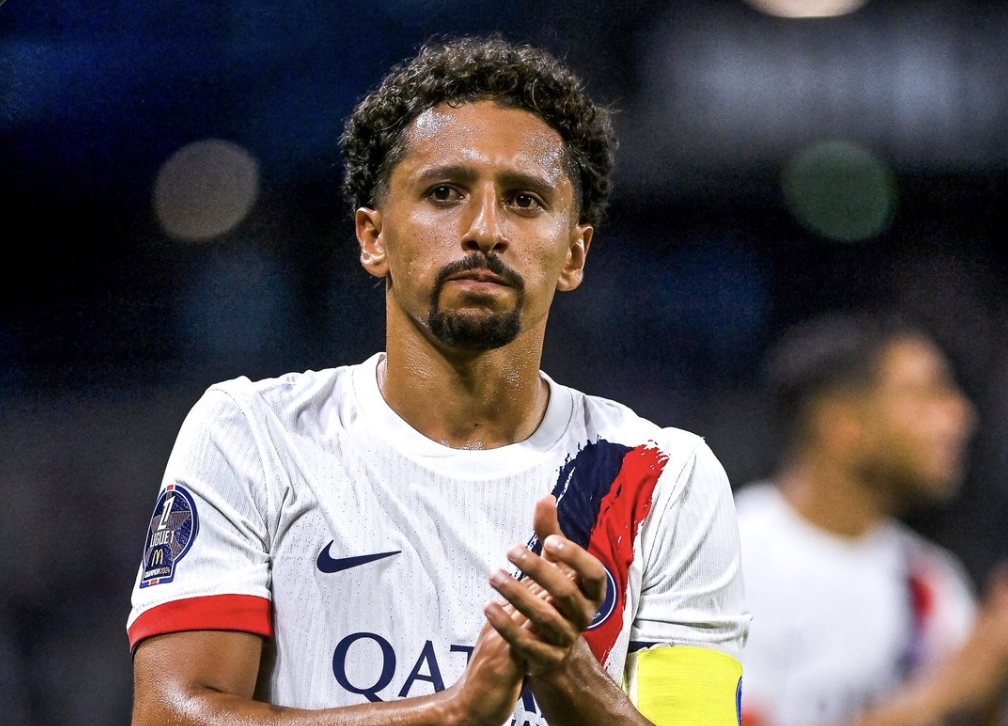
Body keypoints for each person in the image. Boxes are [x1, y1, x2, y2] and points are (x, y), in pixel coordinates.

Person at [127, 35, 750, 726]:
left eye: (524, 200)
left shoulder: (665, 477)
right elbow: (169, 716)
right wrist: (453, 713)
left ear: (574, 253)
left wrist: (570, 675)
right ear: (373, 237)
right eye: (445, 192)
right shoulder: (255, 435)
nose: (484, 229)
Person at [736, 310, 1008, 726]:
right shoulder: (728, 555)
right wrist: (941, 695)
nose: (960, 415)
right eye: (926, 394)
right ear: (845, 425)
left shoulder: (929, 581)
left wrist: (987, 687)